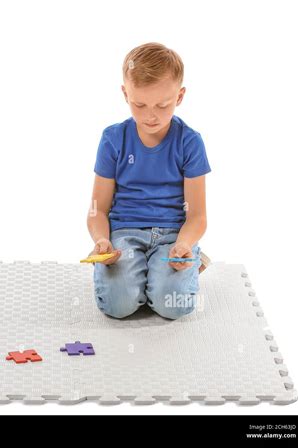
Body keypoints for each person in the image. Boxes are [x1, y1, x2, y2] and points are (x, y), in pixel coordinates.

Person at [87, 42, 211, 320]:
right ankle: (142, 275)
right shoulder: (113, 139)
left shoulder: (190, 142)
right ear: (124, 93)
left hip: (173, 236)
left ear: (179, 97)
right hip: (125, 234)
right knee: (117, 306)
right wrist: (102, 240)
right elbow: (97, 210)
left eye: (162, 105)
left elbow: (198, 216)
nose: (150, 115)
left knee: (173, 305)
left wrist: (184, 244)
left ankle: (179, 265)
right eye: (139, 104)